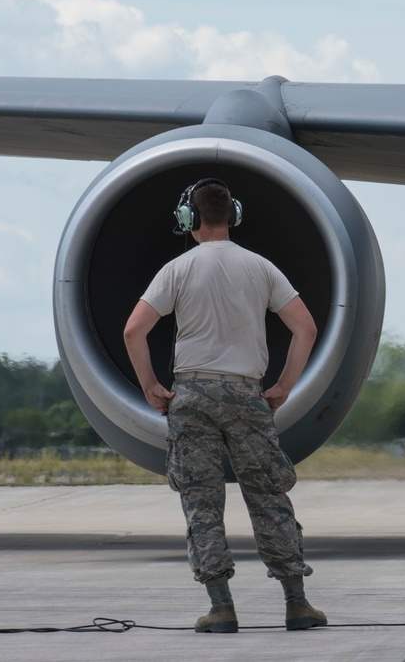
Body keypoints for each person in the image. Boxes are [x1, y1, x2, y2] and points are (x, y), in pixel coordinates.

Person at [123, 178, 325, 634]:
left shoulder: (177, 269)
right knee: (268, 495)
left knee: (202, 503)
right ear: (231, 215)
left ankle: (221, 607)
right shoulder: (261, 268)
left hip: (191, 394)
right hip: (245, 393)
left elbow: (134, 331)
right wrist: (284, 386)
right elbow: (305, 328)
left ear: (189, 220)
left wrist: (152, 385)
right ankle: (297, 604)